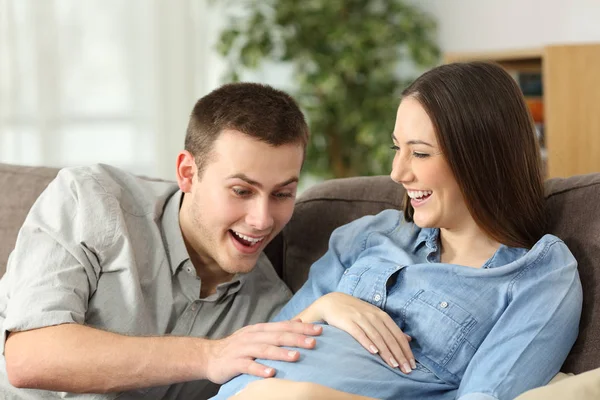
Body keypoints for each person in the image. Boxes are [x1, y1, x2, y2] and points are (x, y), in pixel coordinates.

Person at [212, 62, 583, 400]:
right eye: (397, 148)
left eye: (419, 153)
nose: (397, 173)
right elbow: (265, 344)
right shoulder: (374, 233)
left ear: (482, 157)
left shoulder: (538, 274)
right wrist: (326, 306)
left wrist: (310, 397)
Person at [0, 82, 326, 399]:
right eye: (241, 191)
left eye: (282, 194)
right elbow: (29, 356)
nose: (262, 220)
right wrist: (209, 356)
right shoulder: (91, 200)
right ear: (187, 173)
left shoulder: (271, 311)